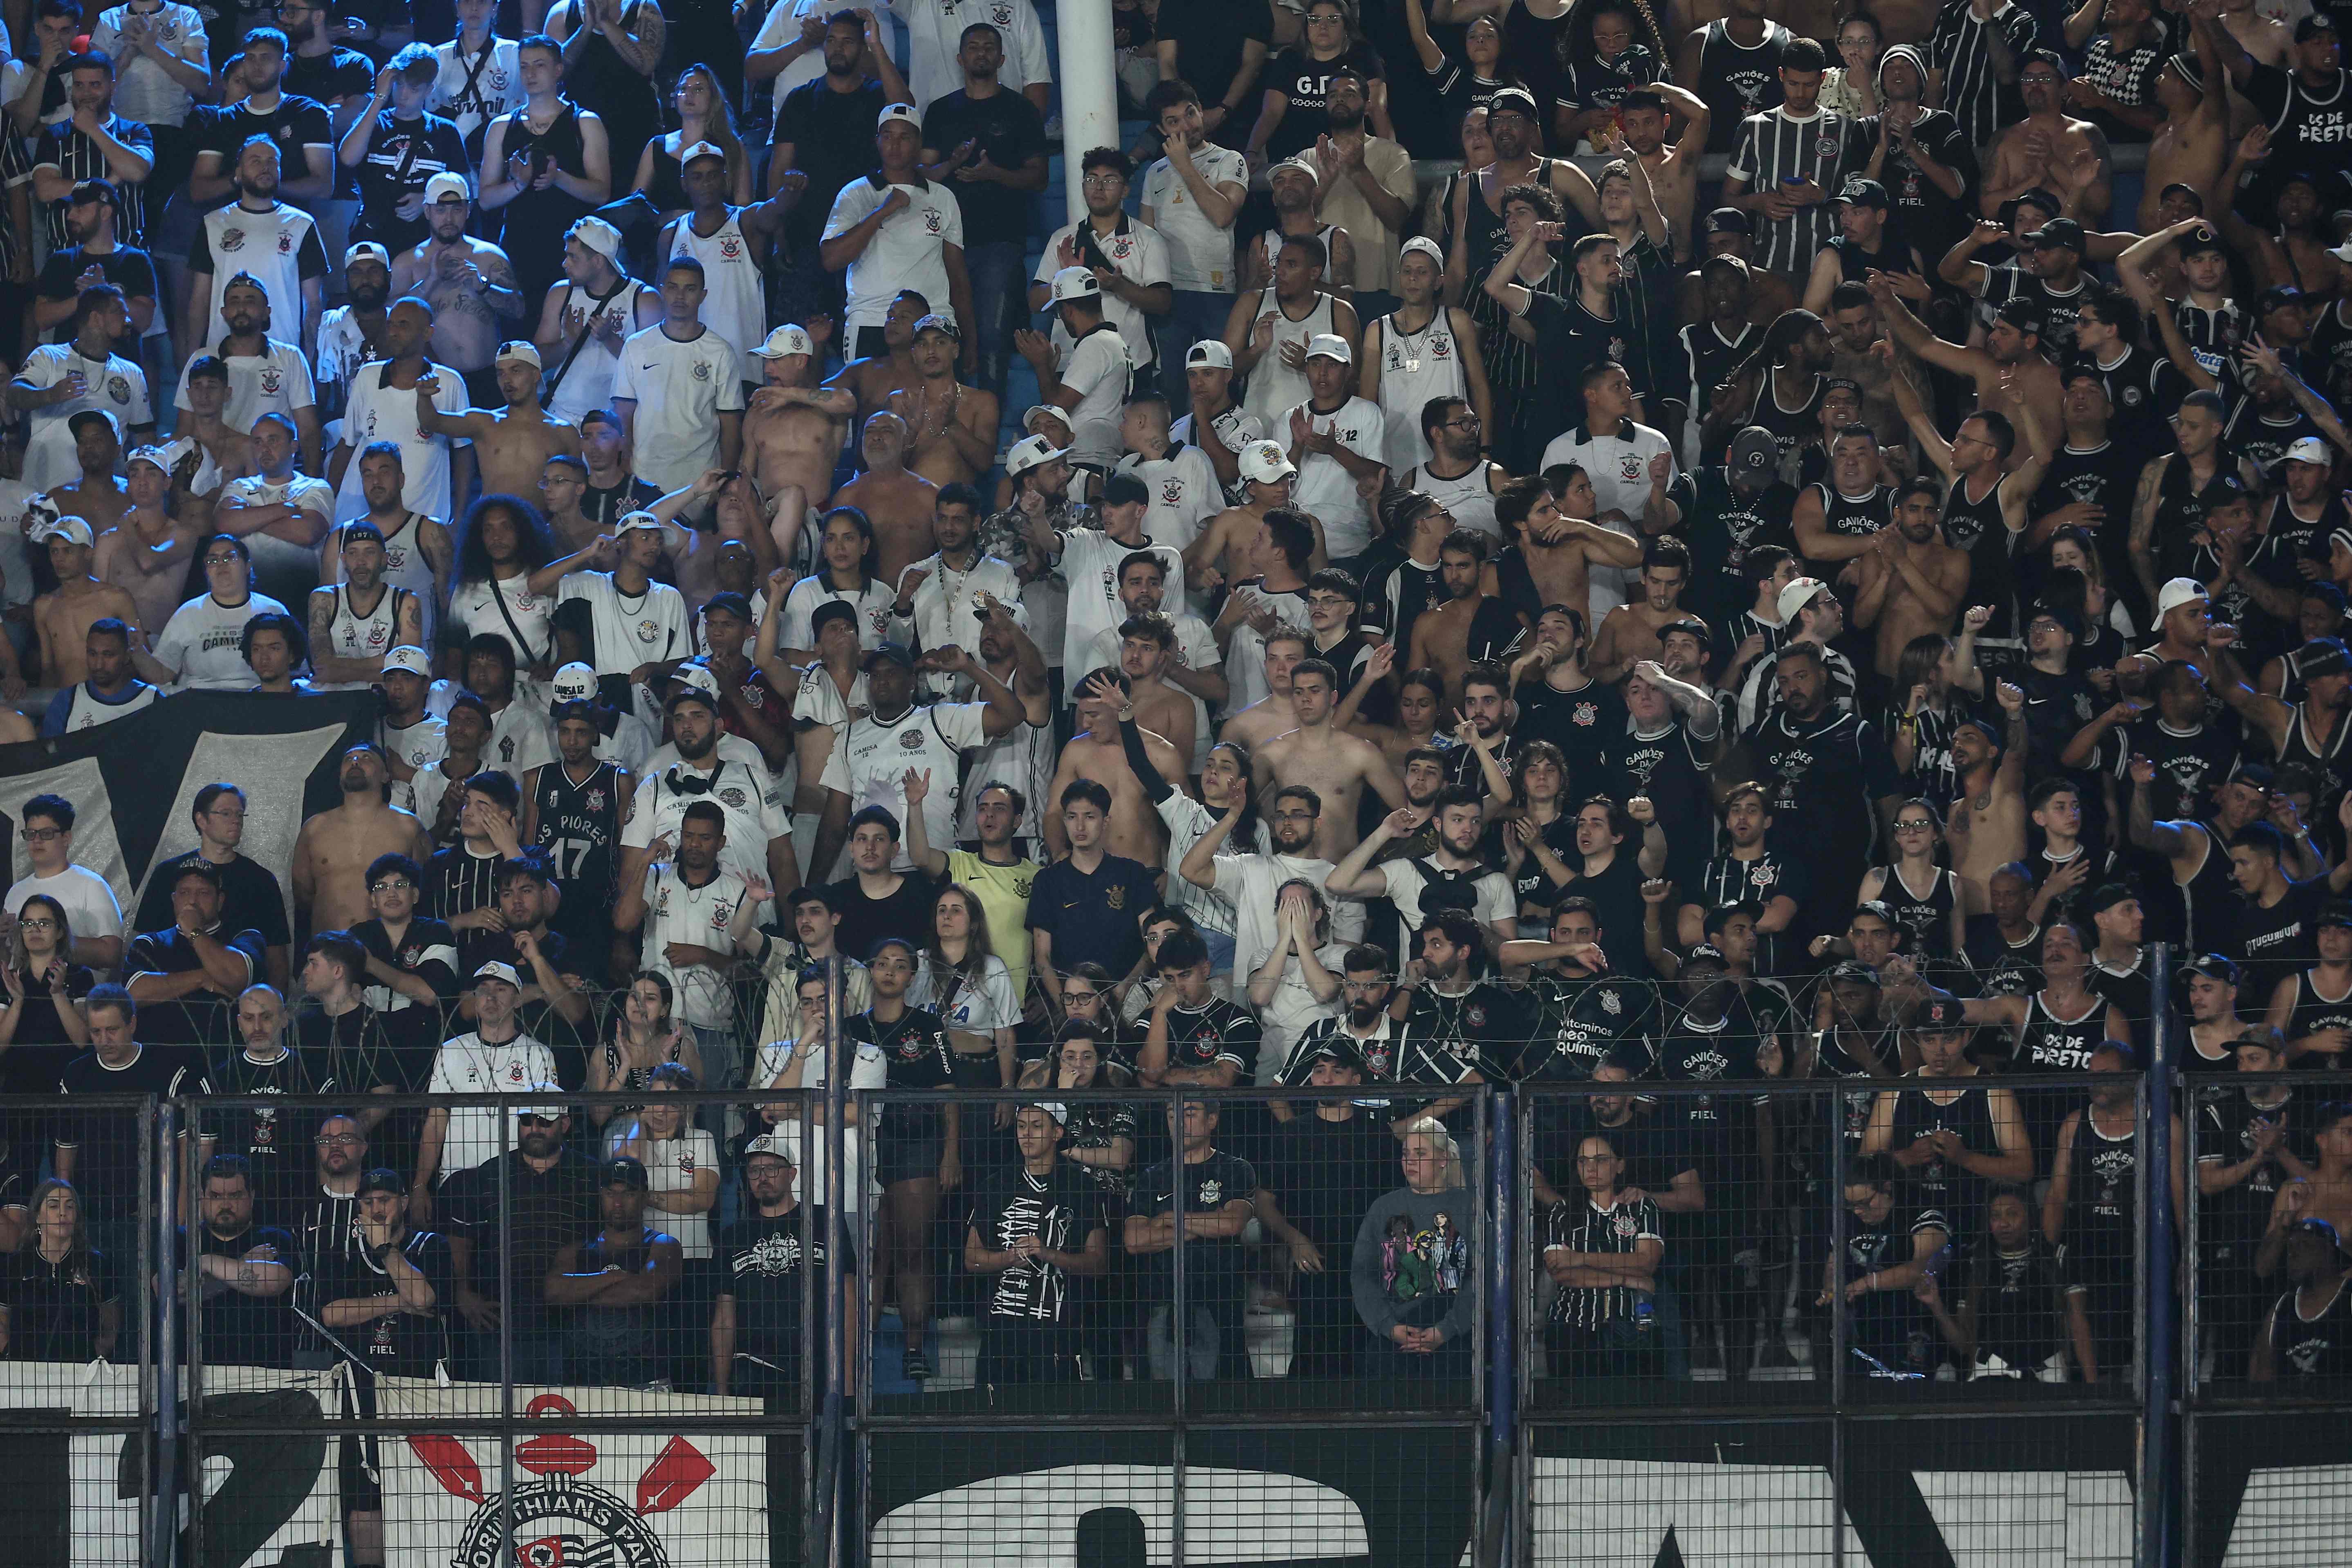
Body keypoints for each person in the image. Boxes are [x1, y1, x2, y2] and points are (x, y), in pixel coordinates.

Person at [846, 935, 957, 1380]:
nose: (890, 971)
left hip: (917, 1140)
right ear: (871, 970)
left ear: (912, 976)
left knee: (912, 1248)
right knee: (870, 1252)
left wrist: (951, 1154)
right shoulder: (851, 1027)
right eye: (882, 963)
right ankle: (860, 1344)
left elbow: (950, 1096)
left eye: (900, 964)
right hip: (863, 1141)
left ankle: (914, 1345)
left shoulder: (928, 1028)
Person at [963, 1101, 1109, 1384]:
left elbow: (1099, 1263)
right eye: (1020, 1126)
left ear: (1057, 1133)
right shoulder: (995, 1184)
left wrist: (1048, 1254)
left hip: (1059, 1327)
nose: (1026, 1134)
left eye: (1036, 1126)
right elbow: (972, 1258)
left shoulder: (1082, 1187)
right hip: (1001, 1327)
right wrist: (1009, 1258)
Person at [711, 1133, 857, 1398]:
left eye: (771, 1168)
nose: (762, 1177)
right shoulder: (734, 1235)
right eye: (754, 1170)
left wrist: (846, 1379)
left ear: (791, 1174)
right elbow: (724, 1314)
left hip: (817, 1361)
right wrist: (722, 1389)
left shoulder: (825, 1221)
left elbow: (847, 1299)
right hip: (755, 1369)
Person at [412, 961, 562, 1219]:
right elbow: (436, 1122)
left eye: (501, 989)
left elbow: (547, 1129)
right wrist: (420, 1185)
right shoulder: (452, 1050)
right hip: (459, 1178)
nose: (491, 997)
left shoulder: (539, 1056)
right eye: (483, 990)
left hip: (517, 1183)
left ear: (517, 1000)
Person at [1124, 1096, 1257, 1381]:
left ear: (1211, 1120)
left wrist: (1170, 1218)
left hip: (1217, 1300)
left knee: (1223, 1399)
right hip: (1161, 1301)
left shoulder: (1235, 1169)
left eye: (1189, 1113)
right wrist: (1203, 1224)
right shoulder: (1152, 1176)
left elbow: (1232, 1223)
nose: (1178, 1122)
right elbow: (1134, 1240)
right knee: (1158, 1397)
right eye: (1172, 1114)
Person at [543, 1154, 684, 1388]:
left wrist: (577, 1292)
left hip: (646, 1380)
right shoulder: (576, 1251)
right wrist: (614, 1277)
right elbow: (552, 1293)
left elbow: (641, 1291)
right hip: (582, 1382)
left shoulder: (664, 1245)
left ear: (644, 1197)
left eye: (628, 1193)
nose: (618, 1202)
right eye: (610, 1193)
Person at [179, 1153, 298, 1368]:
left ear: (251, 1197)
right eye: (215, 1196)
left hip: (263, 1373)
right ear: (201, 1197)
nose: (226, 1205)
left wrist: (206, 1263)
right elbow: (171, 1292)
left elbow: (274, 1283)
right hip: (190, 1370)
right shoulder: (181, 1240)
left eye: (235, 1196)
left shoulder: (273, 1238)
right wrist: (243, 1263)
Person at [0, 1180, 121, 1364]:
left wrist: (93, 1356)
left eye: (70, 1206)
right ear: (38, 1217)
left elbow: (111, 1324)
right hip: (23, 1373)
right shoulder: (14, 1266)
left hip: (81, 1372)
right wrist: (12, 1355)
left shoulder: (97, 1265)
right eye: (54, 1206)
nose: (63, 1213)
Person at [2250, 1216, 2352, 1381]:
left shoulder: (2349, 1298)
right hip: (2291, 1406)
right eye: (2290, 1248)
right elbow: (2263, 1384)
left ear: (2329, 1251)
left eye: (2305, 1245)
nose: (2294, 1254)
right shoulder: (2280, 1311)